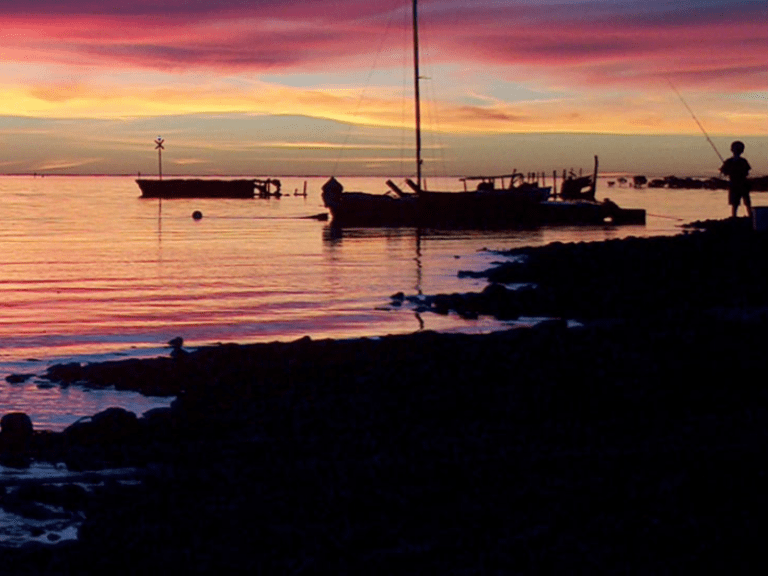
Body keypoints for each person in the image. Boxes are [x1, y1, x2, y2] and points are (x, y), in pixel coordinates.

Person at [720, 140, 752, 218]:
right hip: (738, 184)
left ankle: (737, 217)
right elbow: (724, 172)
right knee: (738, 203)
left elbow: (723, 172)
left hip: (740, 184)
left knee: (741, 203)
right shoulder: (737, 161)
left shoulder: (733, 161)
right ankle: (748, 216)